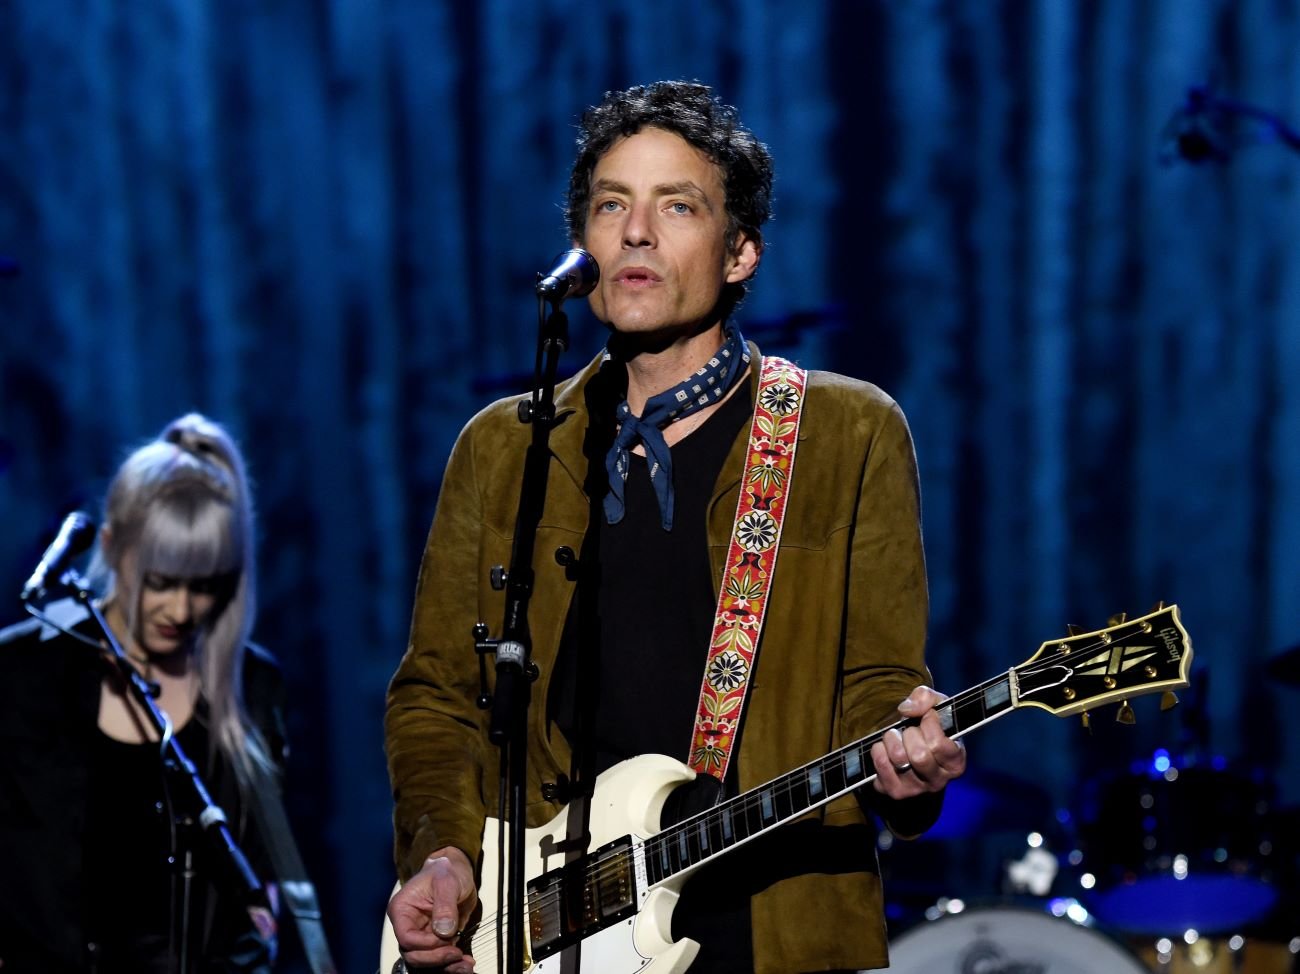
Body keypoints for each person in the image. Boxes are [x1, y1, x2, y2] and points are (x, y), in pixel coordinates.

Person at [385, 80, 967, 974]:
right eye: (611, 204)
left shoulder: (843, 432)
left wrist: (909, 773)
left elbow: (880, 686)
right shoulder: (506, 449)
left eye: (677, 206)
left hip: (767, 932)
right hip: (543, 930)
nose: (636, 231)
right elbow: (436, 695)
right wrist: (445, 853)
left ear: (740, 254)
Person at [0, 413, 287, 973]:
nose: (181, 611)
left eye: (203, 586)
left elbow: (260, 882)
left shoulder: (251, 686)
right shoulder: (19, 672)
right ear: (111, 547)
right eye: (161, 582)